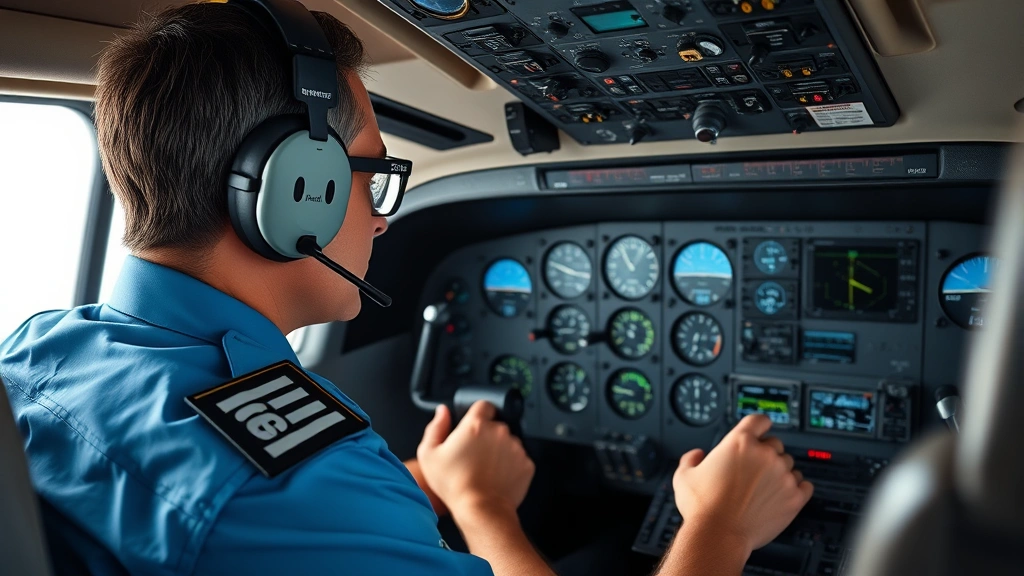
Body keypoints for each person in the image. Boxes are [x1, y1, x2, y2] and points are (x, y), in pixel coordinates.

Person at [0, 2, 813, 575]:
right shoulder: (293, 487)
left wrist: (425, 486)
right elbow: (286, 513)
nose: (383, 220)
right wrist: (720, 525)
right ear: (297, 191)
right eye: (371, 179)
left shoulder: (39, 348)